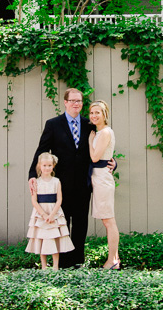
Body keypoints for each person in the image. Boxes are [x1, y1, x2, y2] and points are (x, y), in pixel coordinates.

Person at [28, 87, 114, 268]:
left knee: (81, 222)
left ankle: (78, 261)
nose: (76, 104)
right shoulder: (53, 124)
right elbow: (42, 150)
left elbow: (103, 149)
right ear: (65, 102)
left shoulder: (89, 124)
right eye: (73, 101)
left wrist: (113, 163)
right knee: (63, 221)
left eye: (79, 101)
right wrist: (32, 175)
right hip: (62, 183)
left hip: (84, 181)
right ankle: (64, 262)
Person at [25, 152, 74, 269]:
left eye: (49, 165)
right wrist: (43, 214)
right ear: (39, 166)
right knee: (43, 238)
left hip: (54, 212)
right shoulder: (36, 182)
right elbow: (34, 201)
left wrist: (52, 215)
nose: (47, 168)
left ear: (53, 166)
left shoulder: (56, 181)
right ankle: (43, 266)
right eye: (44, 165)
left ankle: (55, 266)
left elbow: (59, 199)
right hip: (40, 213)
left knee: (54, 238)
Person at [88, 100, 120, 270]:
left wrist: (89, 141)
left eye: (97, 112)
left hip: (102, 179)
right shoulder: (98, 132)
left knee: (108, 220)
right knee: (107, 219)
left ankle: (113, 260)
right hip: (97, 178)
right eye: (91, 113)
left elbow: (95, 158)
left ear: (104, 114)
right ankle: (115, 258)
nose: (94, 115)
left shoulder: (105, 132)